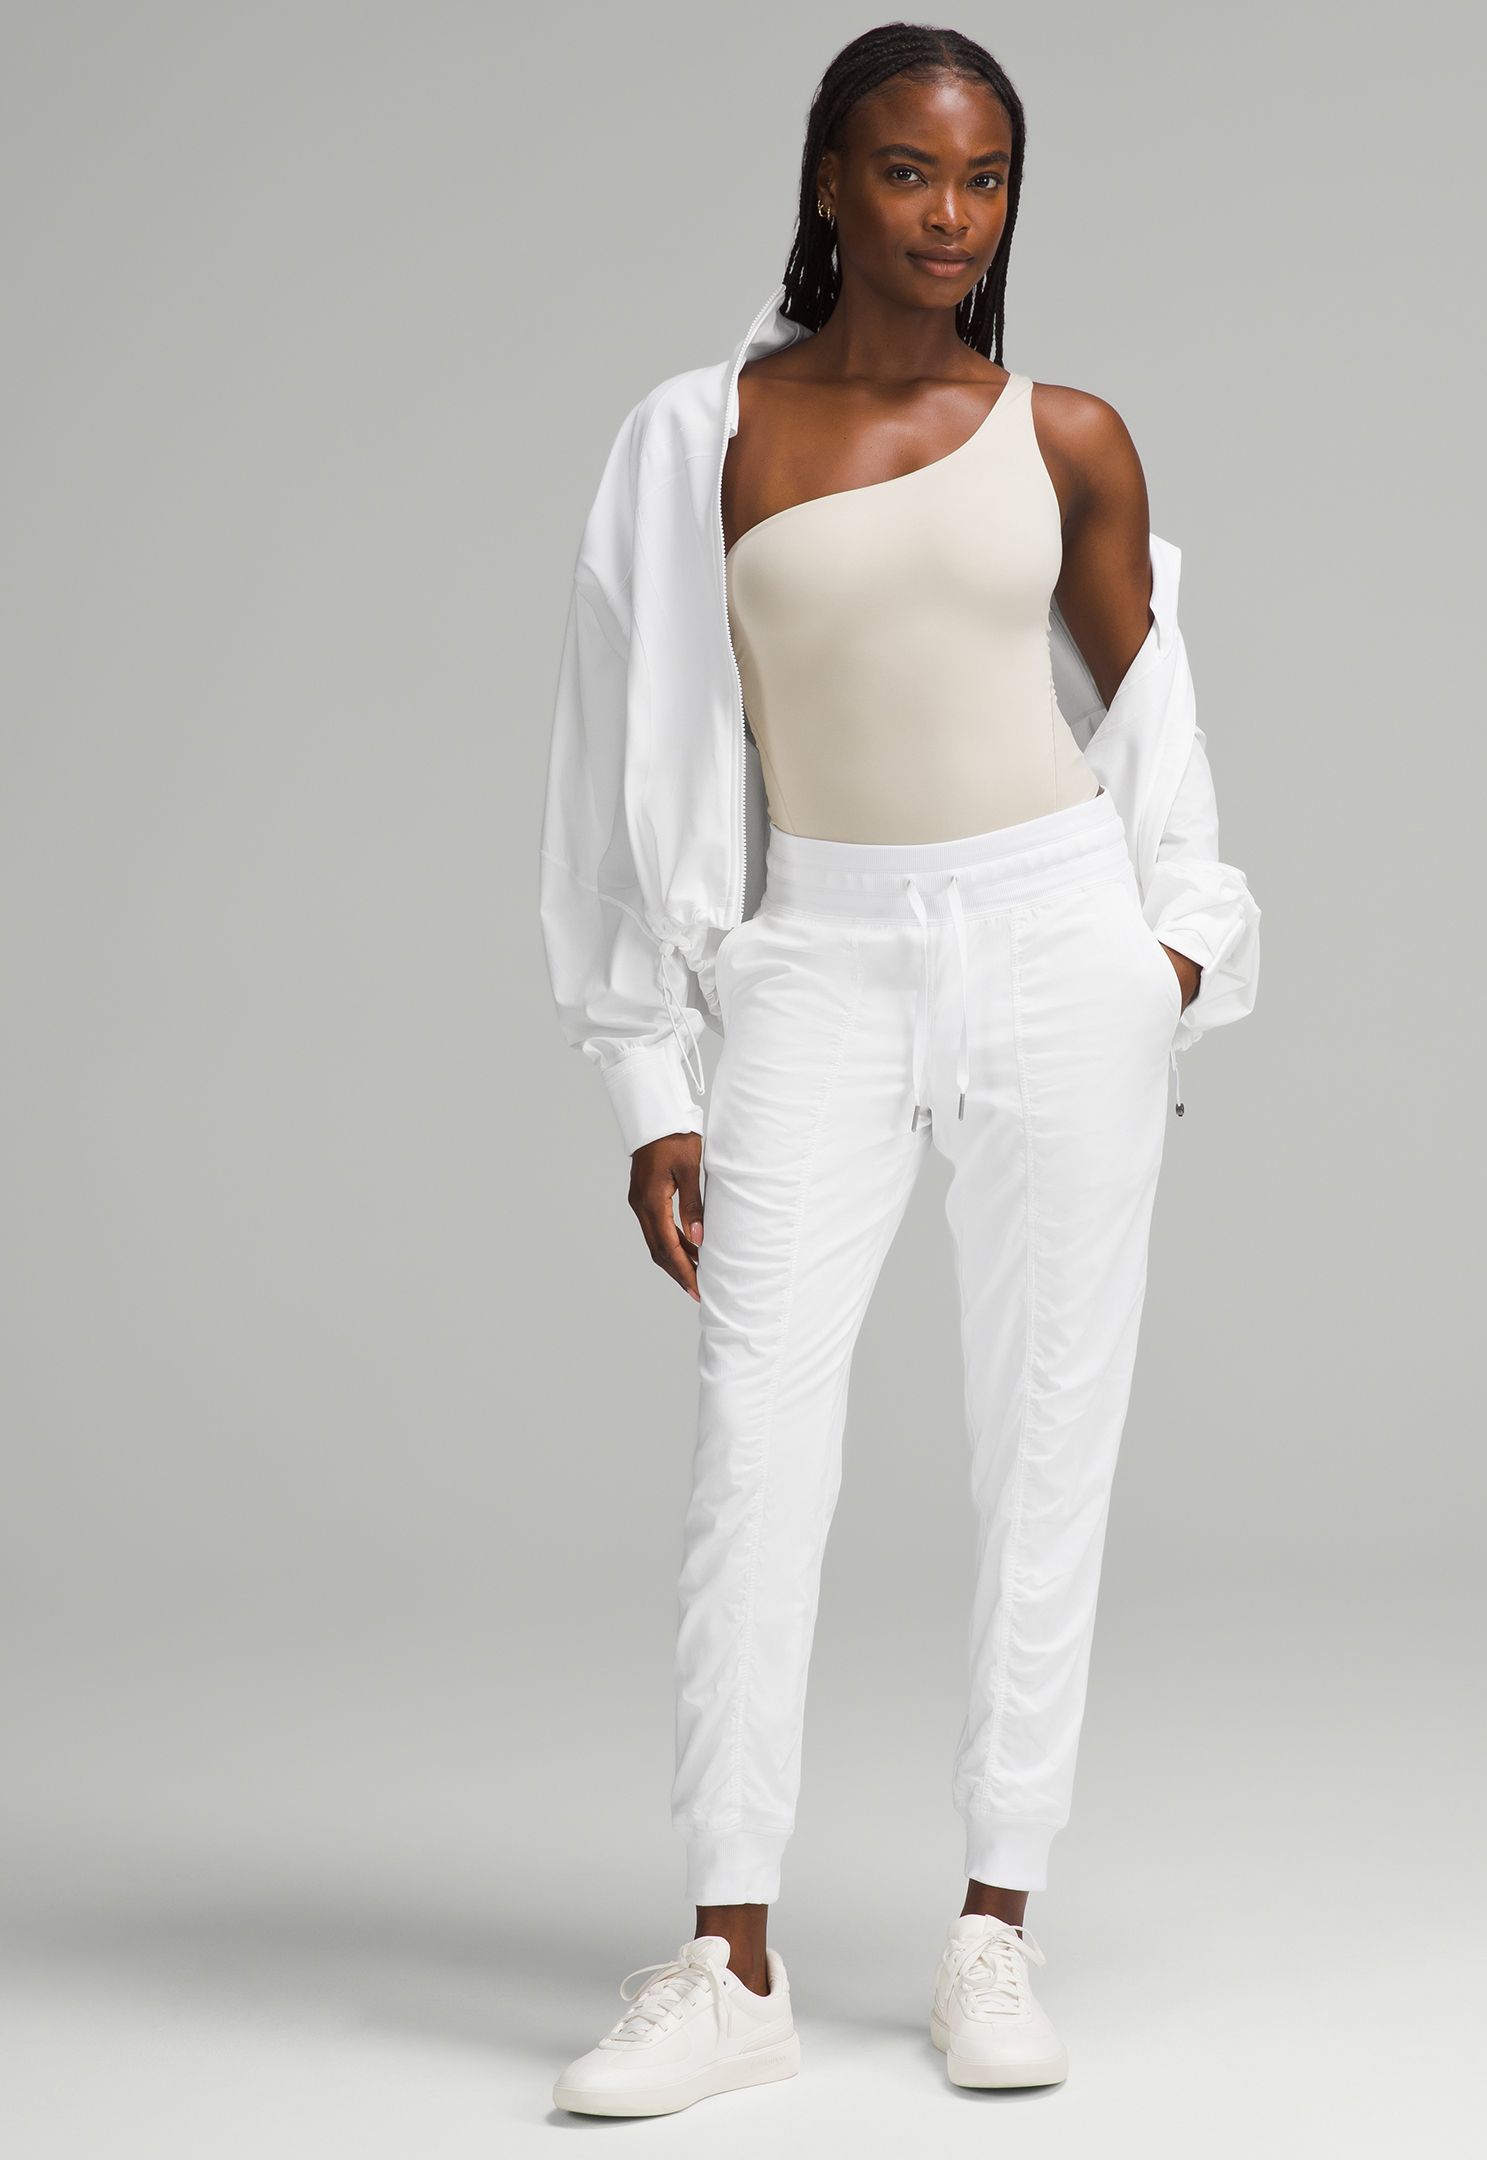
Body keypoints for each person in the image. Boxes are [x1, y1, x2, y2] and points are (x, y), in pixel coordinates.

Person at [540, 23, 1261, 2118]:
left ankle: (994, 1927)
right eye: (910, 171)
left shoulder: (1069, 435)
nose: (951, 217)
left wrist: (1166, 953)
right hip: (821, 963)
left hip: (1054, 941)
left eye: (987, 178)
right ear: (828, 182)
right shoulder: (698, 438)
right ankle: (730, 1962)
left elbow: (1156, 726)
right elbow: (612, 760)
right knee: (755, 1450)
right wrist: (649, 1084)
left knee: (1051, 1432)